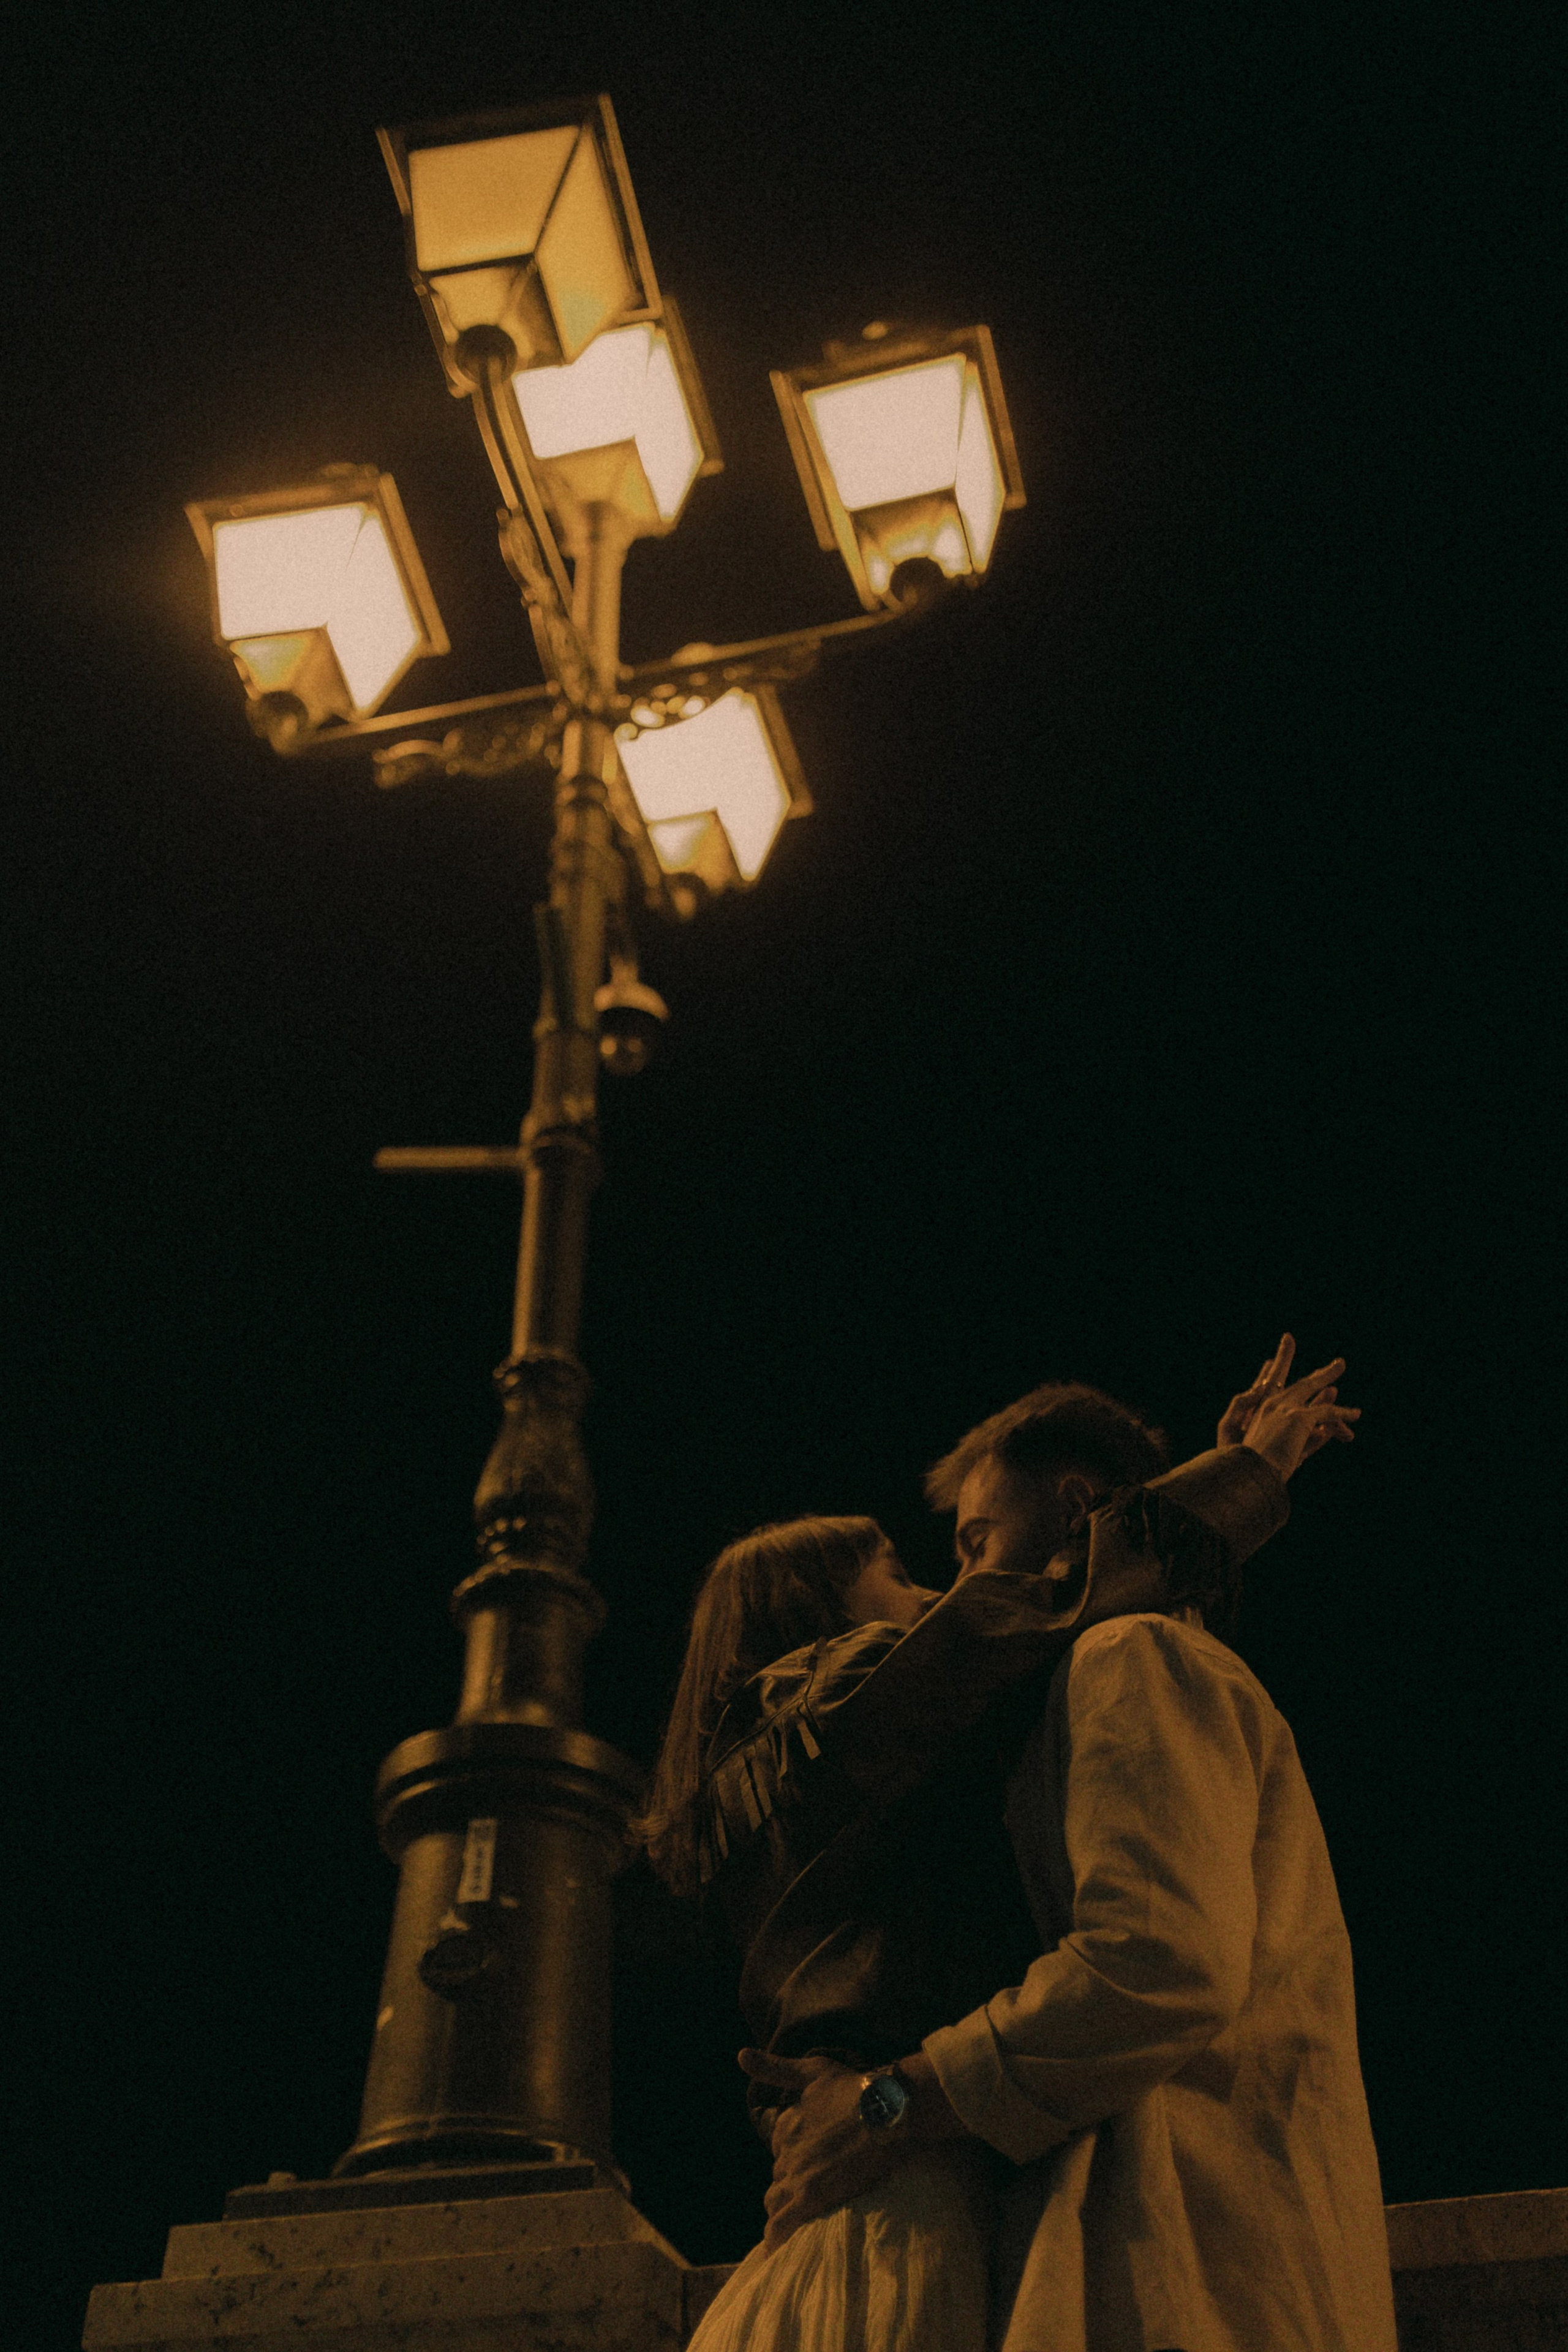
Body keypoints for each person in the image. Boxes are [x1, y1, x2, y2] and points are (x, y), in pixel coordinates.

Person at [646, 1338, 1348, 2348]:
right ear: (815, 1614)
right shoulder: (852, 1697)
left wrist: (881, 2103)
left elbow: (1154, 1949)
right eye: (910, 1573)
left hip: (855, 2220)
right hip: (916, 2219)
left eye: (973, 1544)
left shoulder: (755, 1798)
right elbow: (1064, 1597)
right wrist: (1242, 1476)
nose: (952, 1593)